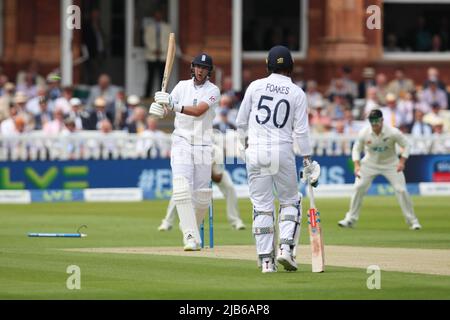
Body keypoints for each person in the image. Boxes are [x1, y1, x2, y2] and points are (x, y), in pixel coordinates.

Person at [235, 45, 320, 273]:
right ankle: (285, 249)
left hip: (256, 151)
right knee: (290, 201)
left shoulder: (255, 86)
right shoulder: (296, 92)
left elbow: (241, 122)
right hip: (282, 151)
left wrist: (245, 148)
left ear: (267, 65)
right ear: (291, 67)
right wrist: (307, 159)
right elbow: (301, 131)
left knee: (262, 207)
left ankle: (266, 261)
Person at [149, 53, 220, 251]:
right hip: (182, 142)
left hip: (204, 145)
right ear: (192, 67)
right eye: (197, 67)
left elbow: (198, 111)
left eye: (204, 68)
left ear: (209, 71)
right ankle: (189, 236)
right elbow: (167, 110)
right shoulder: (181, 86)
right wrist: (159, 107)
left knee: (202, 196)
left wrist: (173, 105)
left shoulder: (213, 91)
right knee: (182, 188)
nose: (200, 70)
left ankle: (191, 229)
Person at [338, 109, 422, 230]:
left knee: (401, 190)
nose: (374, 125)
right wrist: (357, 165)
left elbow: (407, 145)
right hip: (369, 164)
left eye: (377, 122)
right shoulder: (364, 132)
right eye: (372, 122)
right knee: (358, 187)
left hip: (391, 164)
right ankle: (350, 219)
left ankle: (413, 221)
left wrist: (402, 162)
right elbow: (356, 149)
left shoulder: (393, 132)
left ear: (382, 120)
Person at [158, 143, 246, 232]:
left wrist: (208, 169)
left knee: (230, 187)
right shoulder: (190, 152)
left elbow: (218, 178)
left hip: (214, 171)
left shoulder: (217, 152)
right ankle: (167, 222)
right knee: (180, 190)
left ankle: (236, 221)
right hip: (195, 174)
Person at [144, 10, 171, 97]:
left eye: (159, 15)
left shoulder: (167, 27)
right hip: (151, 56)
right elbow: (146, 39)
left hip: (162, 56)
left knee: (163, 77)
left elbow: (169, 40)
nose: (158, 17)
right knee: (150, 76)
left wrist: (162, 50)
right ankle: (147, 95)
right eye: (156, 15)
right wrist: (154, 49)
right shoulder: (149, 27)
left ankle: (162, 95)